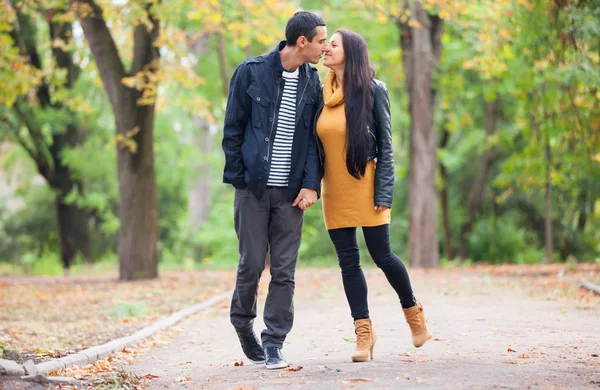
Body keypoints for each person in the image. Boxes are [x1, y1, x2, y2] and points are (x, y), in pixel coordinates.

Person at [315, 29, 432, 362]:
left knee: (382, 255)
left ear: (349, 53)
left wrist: (384, 191)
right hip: (334, 190)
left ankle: (413, 312)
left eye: (332, 45)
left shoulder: (372, 91)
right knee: (348, 262)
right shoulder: (320, 92)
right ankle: (364, 335)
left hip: (367, 187)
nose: (326, 49)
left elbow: (386, 146)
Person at [221, 12, 328, 370]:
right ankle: (242, 323)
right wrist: (240, 178)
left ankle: (274, 342)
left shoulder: (313, 84)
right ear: (302, 42)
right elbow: (232, 129)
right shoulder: (250, 71)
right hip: (252, 189)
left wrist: (312, 183)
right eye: (320, 41)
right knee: (251, 264)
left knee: (284, 271)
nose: (324, 47)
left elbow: (314, 141)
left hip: (291, 195)